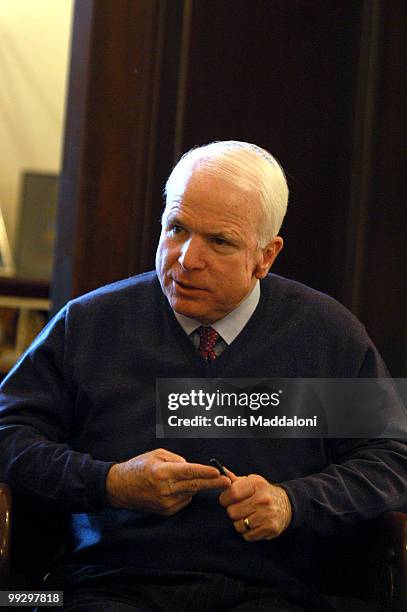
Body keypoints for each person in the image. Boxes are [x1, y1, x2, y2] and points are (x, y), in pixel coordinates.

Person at [0, 140, 406, 612]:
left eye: (220, 242)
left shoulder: (322, 335)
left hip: (275, 593)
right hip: (104, 586)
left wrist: (294, 503)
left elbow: (391, 458)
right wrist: (109, 482)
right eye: (177, 229)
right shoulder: (92, 324)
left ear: (265, 256)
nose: (187, 259)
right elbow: (9, 436)